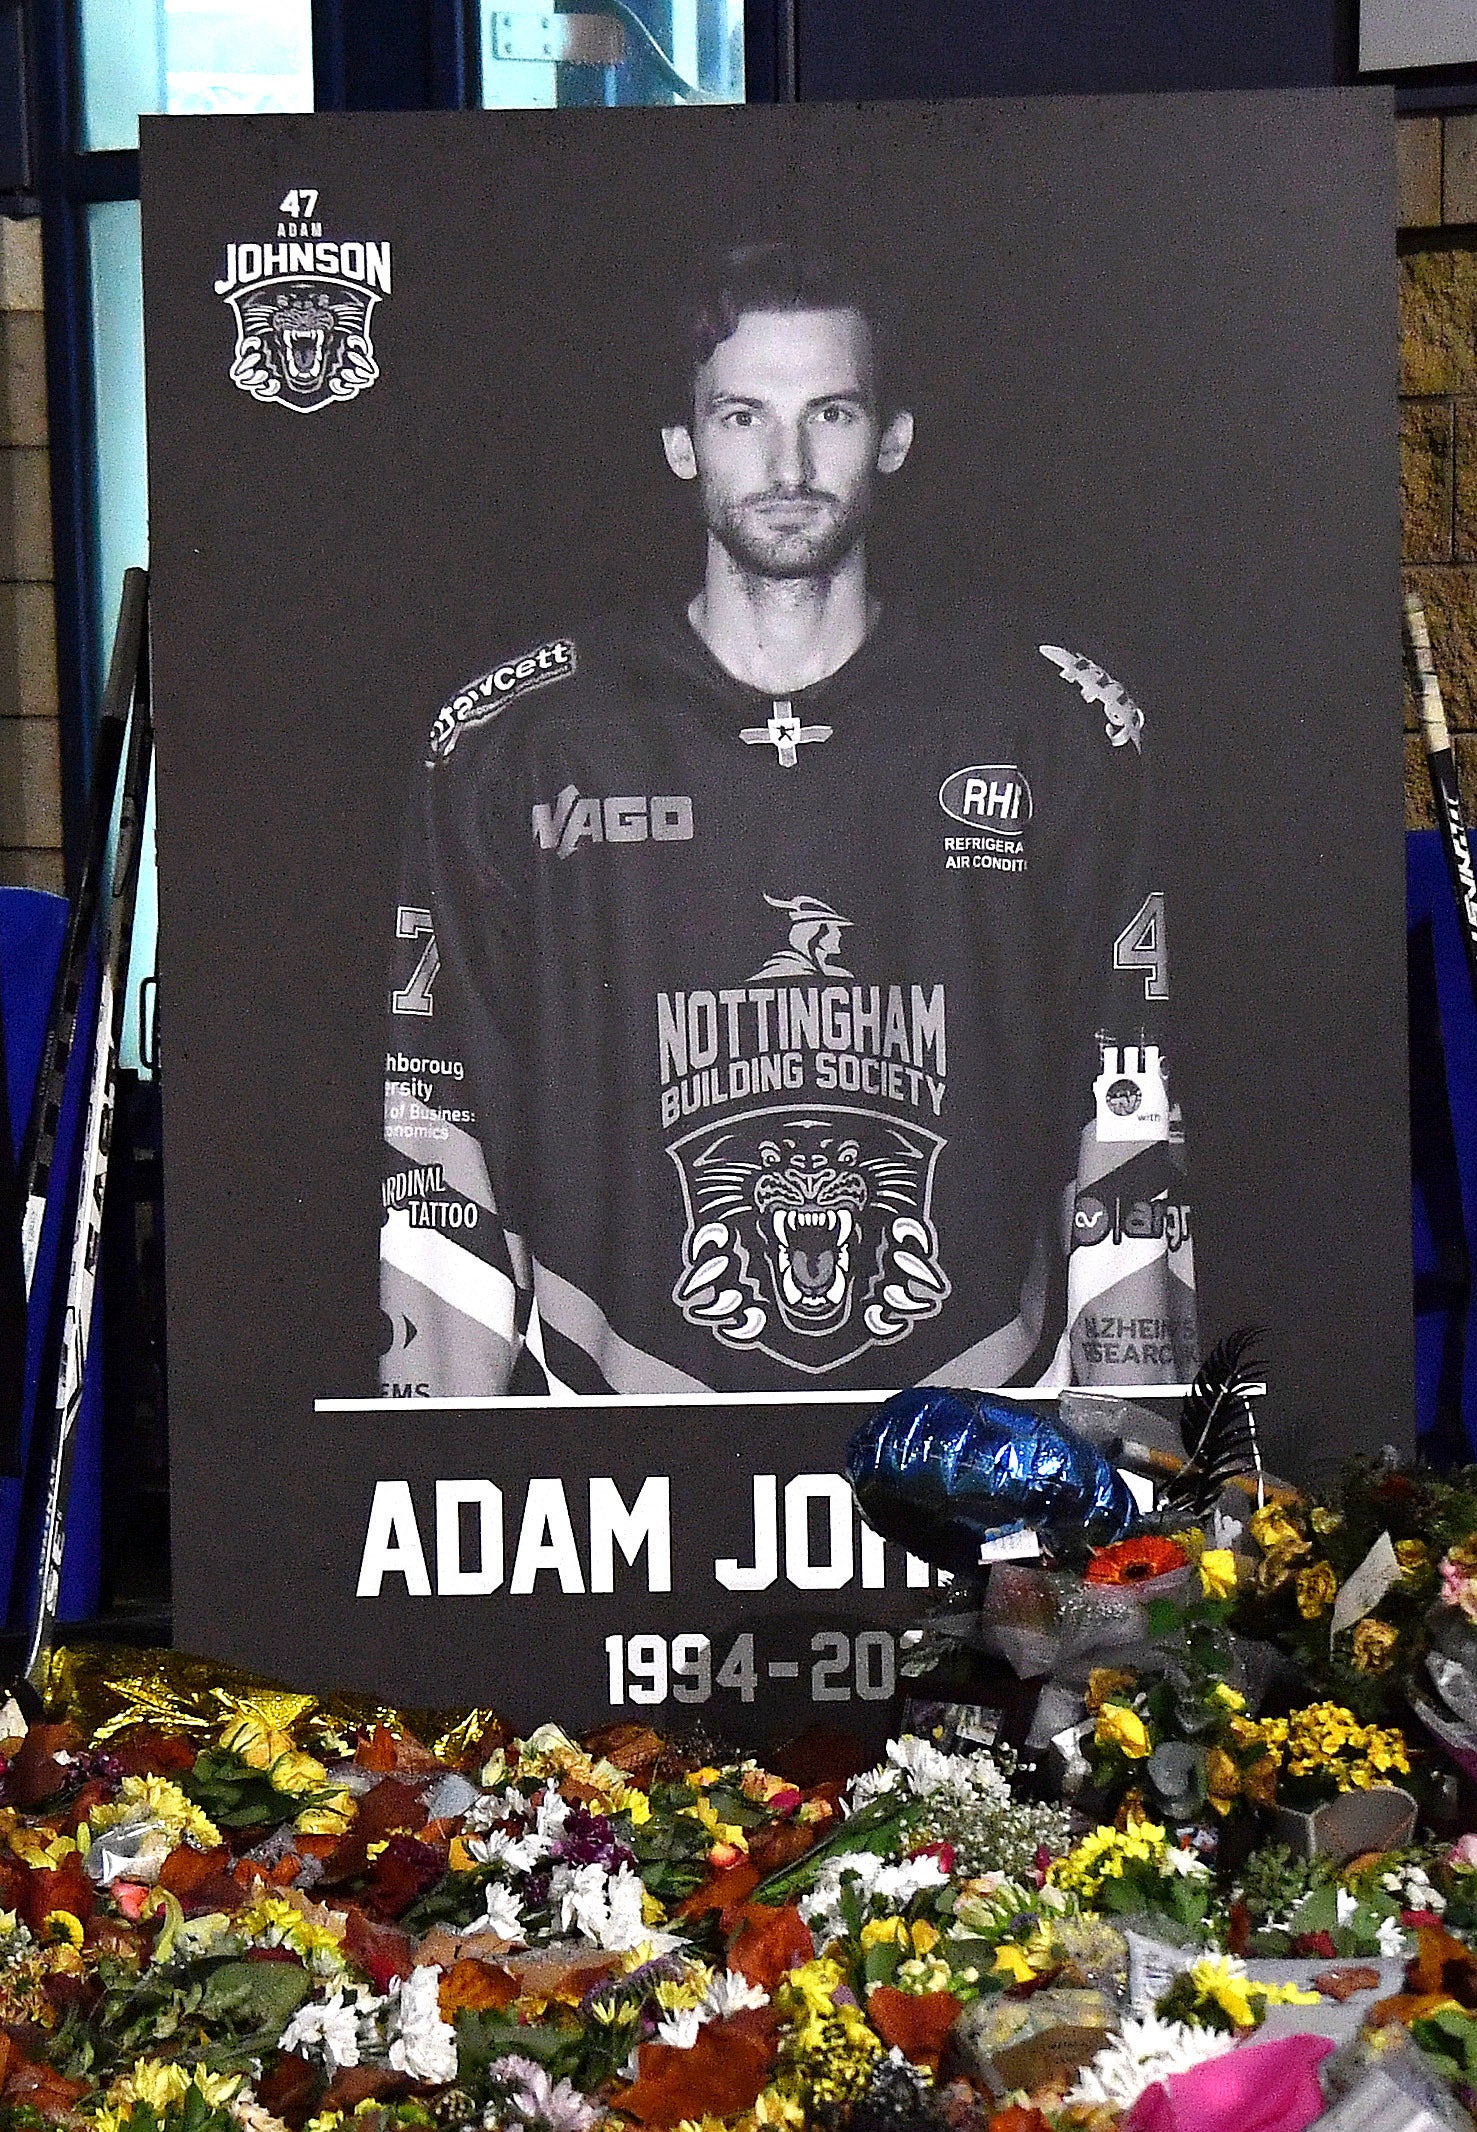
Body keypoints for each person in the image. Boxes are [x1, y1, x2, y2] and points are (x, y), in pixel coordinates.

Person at [374, 240, 1189, 1399]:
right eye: (743, 417)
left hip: (972, 1421)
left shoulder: (1049, 725)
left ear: (893, 437)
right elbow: (437, 1121)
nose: (789, 463)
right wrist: (443, 1454)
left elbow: (1130, 1095)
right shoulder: (518, 744)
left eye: (832, 414)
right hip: (619, 1443)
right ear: (681, 443)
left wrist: (1134, 1439)